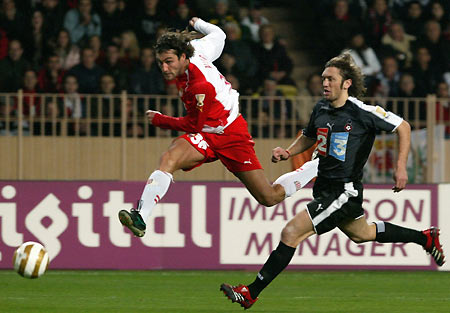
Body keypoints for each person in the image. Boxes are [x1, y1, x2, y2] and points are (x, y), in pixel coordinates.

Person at [219, 52, 446, 310]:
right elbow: (308, 136)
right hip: (325, 187)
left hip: (344, 191)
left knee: (291, 232)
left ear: (346, 83)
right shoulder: (321, 108)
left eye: (330, 79)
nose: (324, 83)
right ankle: (425, 238)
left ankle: (251, 292)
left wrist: (401, 167)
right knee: (363, 234)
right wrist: (288, 151)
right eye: (323, 78)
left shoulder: (362, 112)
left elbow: (403, 126)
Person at [118, 17, 319, 239]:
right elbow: (219, 35)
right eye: (161, 63)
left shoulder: (199, 85)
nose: (164, 68)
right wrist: (198, 23)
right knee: (169, 159)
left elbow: (193, 124)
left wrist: (160, 119)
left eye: (169, 62)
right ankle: (141, 216)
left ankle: (315, 166)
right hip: (206, 133)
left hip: (231, 133)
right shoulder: (197, 49)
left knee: (268, 197)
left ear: (183, 57)